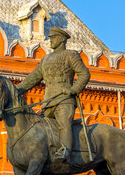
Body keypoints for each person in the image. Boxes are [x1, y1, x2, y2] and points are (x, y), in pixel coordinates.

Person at [16, 27, 90, 163]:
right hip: (48, 102)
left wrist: (74, 90)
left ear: (61, 39)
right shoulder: (46, 59)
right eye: (50, 38)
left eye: (53, 38)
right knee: (38, 126)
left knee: (64, 124)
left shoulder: (70, 55)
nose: (50, 40)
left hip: (64, 99)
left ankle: (66, 152)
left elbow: (84, 74)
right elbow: (33, 78)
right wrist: (16, 90)